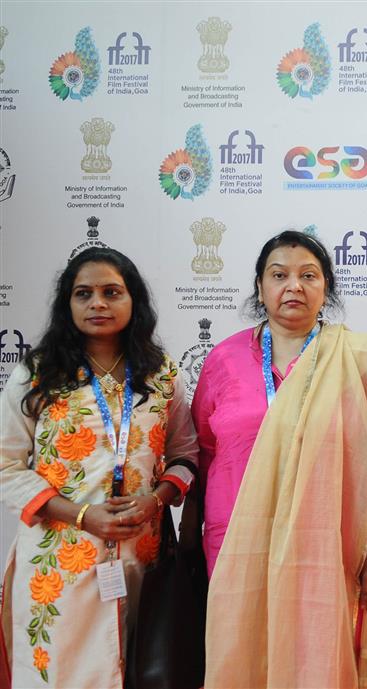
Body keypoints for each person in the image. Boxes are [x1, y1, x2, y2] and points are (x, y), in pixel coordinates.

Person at [194, 230, 367, 688]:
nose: (293, 286)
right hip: (238, 534)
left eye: (308, 276)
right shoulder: (224, 359)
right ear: (260, 287)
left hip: (328, 538)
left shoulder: (357, 360)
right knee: (242, 648)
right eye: (279, 275)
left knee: (316, 652)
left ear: (326, 289)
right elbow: (205, 446)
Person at [0, 247, 198, 688]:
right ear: (66, 305)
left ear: (134, 301)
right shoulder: (36, 375)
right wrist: (82, 516)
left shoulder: (163, 376)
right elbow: (5, 467)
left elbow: (187, 456)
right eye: (83, 294)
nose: (98, 304)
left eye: (112, 292)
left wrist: (155, 500)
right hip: (60, 563)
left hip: (143, 558)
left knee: (140, 667)